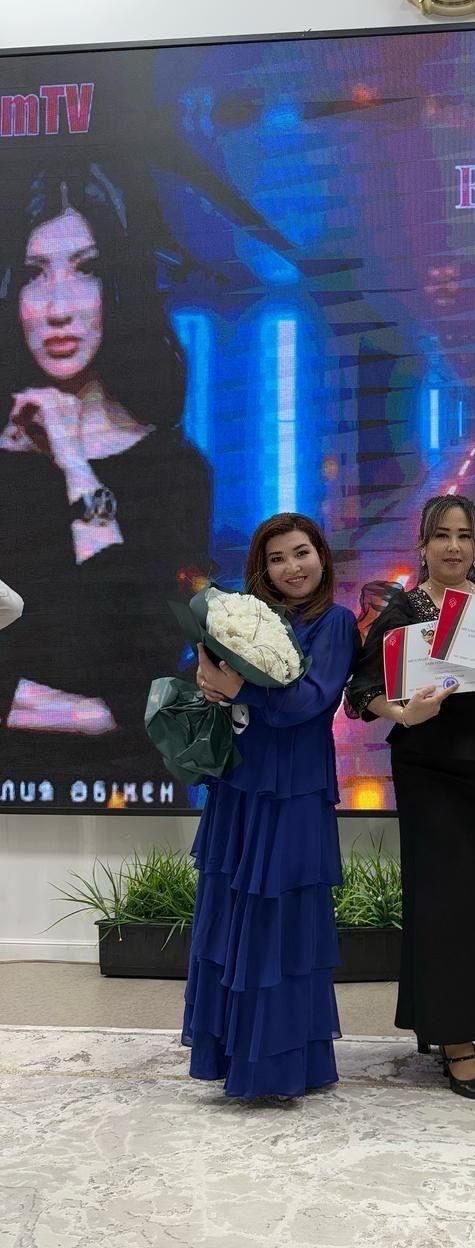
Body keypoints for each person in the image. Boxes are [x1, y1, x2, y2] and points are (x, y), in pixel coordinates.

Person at [0, 159, 209, 797]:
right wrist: (101, 713)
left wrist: (73, 462)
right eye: (34, 275)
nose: (58, 307)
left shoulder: (175, 469)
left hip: (132, 794)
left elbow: (147, 656)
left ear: (118, 287)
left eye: (85, 269)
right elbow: (136, 701)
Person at [346, 494, 475, 1100]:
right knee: (442, 899)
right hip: (431, 769)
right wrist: (405, 713)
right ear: (423, 544)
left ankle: (455, 1019)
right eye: (441, 535)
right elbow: (361, 690)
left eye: (464, 535)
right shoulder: (403, 609)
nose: (453, 547)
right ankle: (454, 1038)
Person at [182, 512, 358, 1100]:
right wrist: (210, 683)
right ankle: (231, 1057)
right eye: (276, 558)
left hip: (297, 788)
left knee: (281, 923)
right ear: (261, 567)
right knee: (230, 914)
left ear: (322, 556)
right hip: (238, 781)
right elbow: (217, 683)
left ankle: (282, 1067)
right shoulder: (246, 617)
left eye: (301, 552)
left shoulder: (337, 623)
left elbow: (310, 702)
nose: (292, 567)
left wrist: (242, 690)